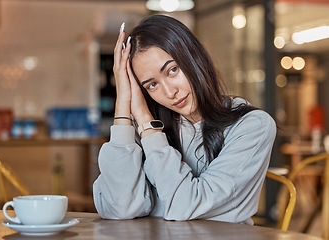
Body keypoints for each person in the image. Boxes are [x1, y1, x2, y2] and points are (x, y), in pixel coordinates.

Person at [93, 15, 276, 225]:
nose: (170, 92)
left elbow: (185, 205)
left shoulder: (252, 126)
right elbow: (121, 208)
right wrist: (124, 102)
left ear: (195, 58)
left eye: (172, 70)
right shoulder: (147, 130)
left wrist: (146, 123)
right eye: (151, 85)